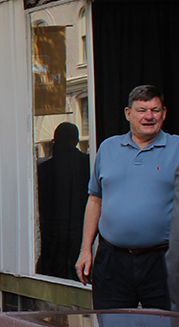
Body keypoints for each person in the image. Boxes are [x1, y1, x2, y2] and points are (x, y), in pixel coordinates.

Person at [77, 85, 179, 309]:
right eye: (142, 110)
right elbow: (95, 200)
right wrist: (85, 250)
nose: (149, 116)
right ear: (128, 113)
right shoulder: (108, 148)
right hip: (112, 261)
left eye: (155, 110)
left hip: (163, 261)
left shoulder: (177, 148)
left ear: (164, 113)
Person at [35, 123, 89, 280]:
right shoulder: (88, 164)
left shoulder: (45, 169)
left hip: (53, 232)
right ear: (76, 141)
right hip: (81, 229)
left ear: (56, 141)